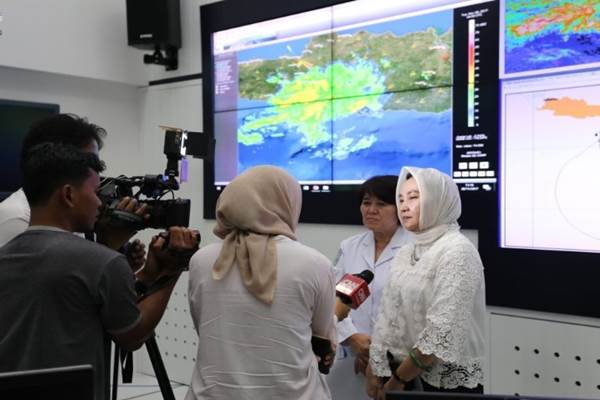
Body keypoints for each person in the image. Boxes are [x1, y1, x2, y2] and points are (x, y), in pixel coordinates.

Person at [0, 143, 200, 400]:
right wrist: (172, 268)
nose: (100, 203)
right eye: (96, 193)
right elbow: (132, 335)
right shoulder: (101, 262)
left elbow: (82, 305)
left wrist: (146, 274)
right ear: (68, 195)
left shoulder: (6, 254)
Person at [186, 165, 336, 400]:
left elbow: (204, 326)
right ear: (288, 203)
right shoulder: (315, 263)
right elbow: (322, 336)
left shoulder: (201, 261)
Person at [366, 166, 486, 399]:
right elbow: (387, 315)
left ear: (438, 200)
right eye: (400, 199)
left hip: (444, 385)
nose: (404, 206)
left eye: (414, 197)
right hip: (401, 375)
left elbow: (441, 333)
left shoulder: (457, 251)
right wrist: (376, 366)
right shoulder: (408, 250)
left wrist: (398, 380)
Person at [0, 113, 146, 268]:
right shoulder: (18, 218)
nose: (97, 173)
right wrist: (109, 251)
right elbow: (57, 287)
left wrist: (120, 262)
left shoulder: (69, 215)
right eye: (91, 162)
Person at [327, 175, 411, 400]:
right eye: (366, 203)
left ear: (401, 208)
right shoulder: (350, 247)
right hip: (352, 358)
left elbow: (416, 312)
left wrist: (379, 354)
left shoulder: (416, 250)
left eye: (381, 204)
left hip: (399, 364)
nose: (371, 209)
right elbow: (333, 300)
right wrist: (353, 339)